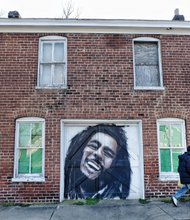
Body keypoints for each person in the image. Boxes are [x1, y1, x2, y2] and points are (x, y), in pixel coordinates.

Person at [64, 123, 131, 199]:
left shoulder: (116, 198)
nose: (98, 154)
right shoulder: (66, 188)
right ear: (81, 150)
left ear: (114, 164)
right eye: (93, 146)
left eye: (107, 153)